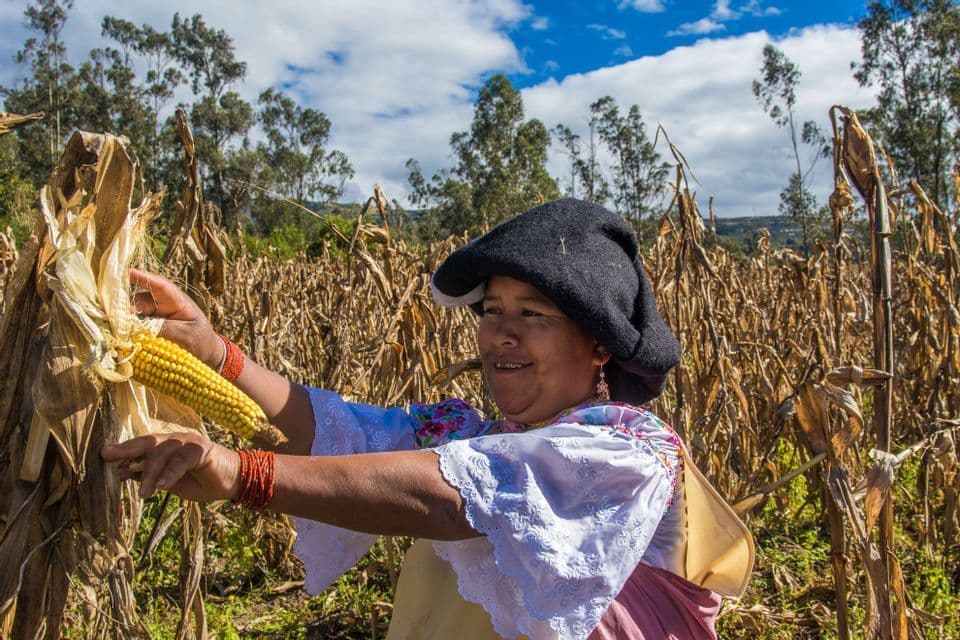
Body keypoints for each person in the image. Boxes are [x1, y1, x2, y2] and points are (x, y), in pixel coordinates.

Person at [102, 198, 754, 640]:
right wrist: (214, 353)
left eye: (533, 314)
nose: (500, 333)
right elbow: (337, 431)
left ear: (600, 345)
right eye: (491, 310)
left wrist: (238, 474)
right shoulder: (470, 436)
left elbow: (451, 497)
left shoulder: (627, 454)